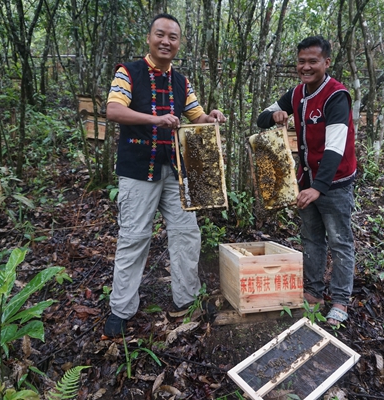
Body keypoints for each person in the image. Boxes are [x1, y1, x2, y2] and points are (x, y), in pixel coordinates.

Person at [103, 13, 227, 338]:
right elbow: (114, 110)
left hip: (174, 170)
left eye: (172, 37)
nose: (166, 41)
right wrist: (155, 119)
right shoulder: (127, 72)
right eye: (160, 34)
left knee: (187, 233)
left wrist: (210, 116)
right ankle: (121, 309)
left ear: (178, 42)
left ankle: (187, 300)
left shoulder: (181, 81)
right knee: (134, 237)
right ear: (149, 37)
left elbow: (196, 115)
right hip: (136, 171)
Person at [257, 36, 356, 327]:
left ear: (326, 62)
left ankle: (340, 301)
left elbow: (335, 148)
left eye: (313, 61)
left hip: (334, 183)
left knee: (339, 242)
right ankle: (313, 292)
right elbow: (263, 118)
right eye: (302, 61)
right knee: (311, 238)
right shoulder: (297, 93)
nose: (306, 66)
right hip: (307, 179)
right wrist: (274, 114)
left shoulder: (337, 96)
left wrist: (318, 188)